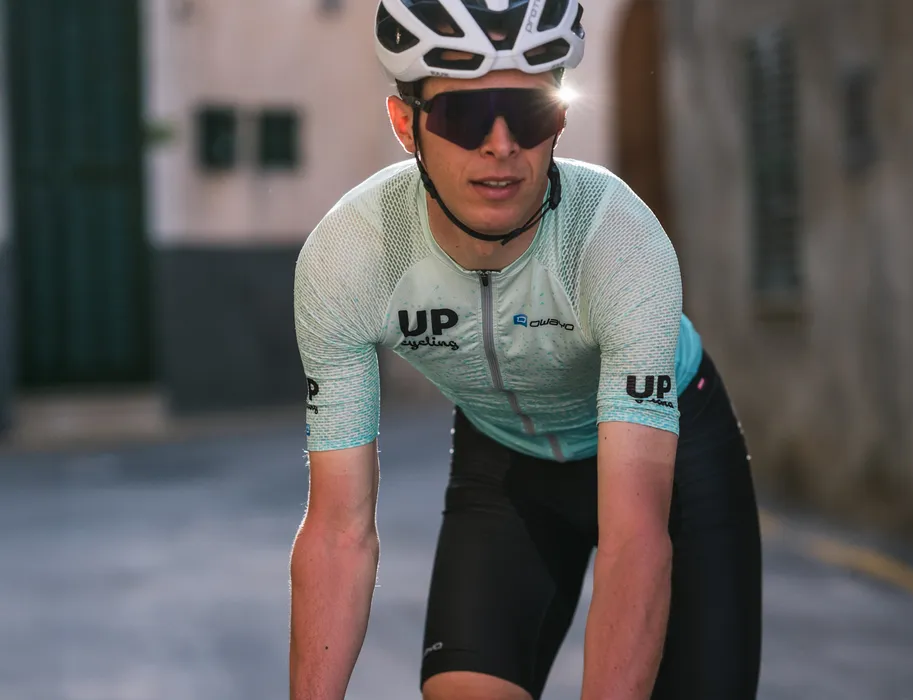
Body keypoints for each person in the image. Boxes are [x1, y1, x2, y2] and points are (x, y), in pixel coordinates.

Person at [290, 1, 762, 698]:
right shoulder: (354, 255)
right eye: (465, 117)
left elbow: (634, 543)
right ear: (406, 126)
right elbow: (338, 532)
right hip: (507, 462)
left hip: (676, 460)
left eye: (529, 111)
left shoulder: (617, 242)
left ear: (560, 119)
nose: (501, 144)